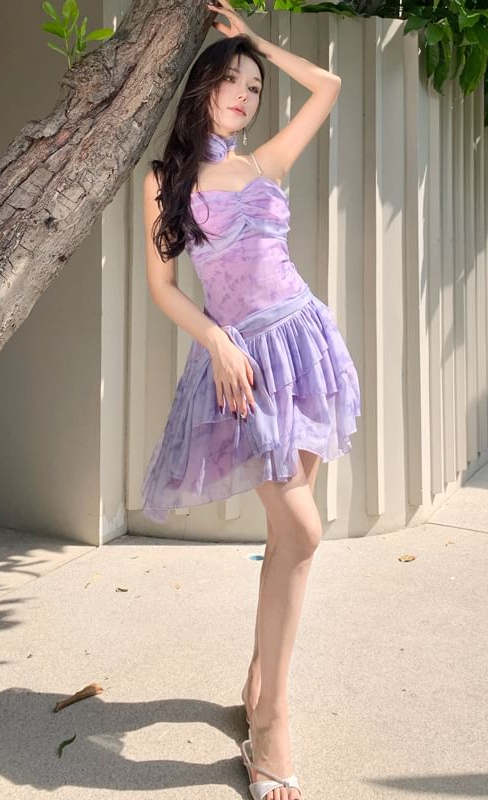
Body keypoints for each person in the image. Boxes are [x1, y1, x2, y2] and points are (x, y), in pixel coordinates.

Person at [140, 2, 361, 798]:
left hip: (305, 343)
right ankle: (271, 723)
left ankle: (260, 686)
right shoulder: (164, 181)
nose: (243, 94)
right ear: (201, 87)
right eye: (231, 80)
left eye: (254, 87)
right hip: (245, 364)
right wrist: (217, 341)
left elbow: (329, 85)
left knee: (288, 539)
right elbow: (164, 288)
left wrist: (253, 40)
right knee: (302, 530)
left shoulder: (265, 162)